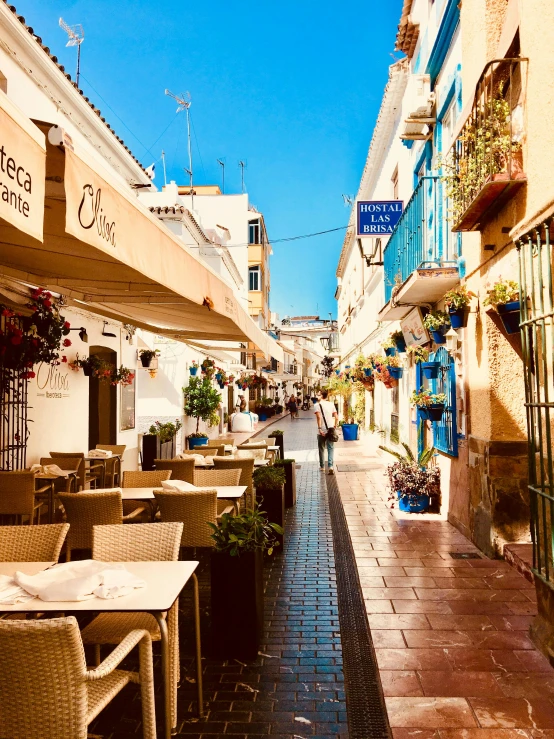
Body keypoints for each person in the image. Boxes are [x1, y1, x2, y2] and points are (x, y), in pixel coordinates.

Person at [314, 389, 338, 474]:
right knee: (330, 448)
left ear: (321, 396)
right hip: (330, 429)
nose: (317, 396)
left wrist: (320, 428)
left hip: (322, 430)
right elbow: (336, 417)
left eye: (318, 394)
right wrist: (334, 426)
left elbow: (319, 417)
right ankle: (330, 466)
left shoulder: (317, 405)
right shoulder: (331, 404)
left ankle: (322, 466)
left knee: (321, 448)